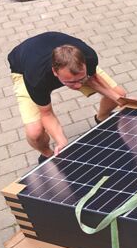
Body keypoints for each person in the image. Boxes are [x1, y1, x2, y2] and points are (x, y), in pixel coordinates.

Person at [8, 32, 127, 163]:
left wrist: (121, 100)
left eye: (81, 79)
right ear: (54, 72)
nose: (77, 86)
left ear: (84, 65)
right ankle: (47, 155)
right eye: (70, 82)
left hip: (50, 51)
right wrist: (62, 141)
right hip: (23, 68)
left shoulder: (89, 56)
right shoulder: (36, 78)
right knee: (34, 133)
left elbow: (92, 79)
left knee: (120, 94)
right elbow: (46, 114)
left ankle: (102, 118)